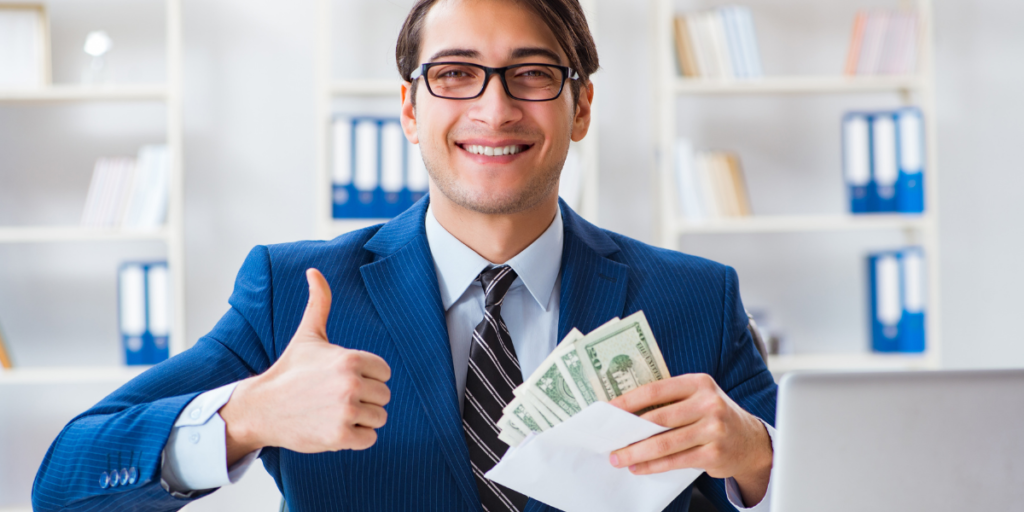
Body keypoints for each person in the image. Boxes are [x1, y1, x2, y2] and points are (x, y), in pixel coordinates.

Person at [32, 0, 777, 510]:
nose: (494, 108)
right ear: (410, 110)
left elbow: (848, 484)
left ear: (580, 108)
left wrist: (758, 458)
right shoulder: (295, 292)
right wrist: (244, 417)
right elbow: (64, 481)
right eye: (455, 74)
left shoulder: (696, 299)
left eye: (533, 73)